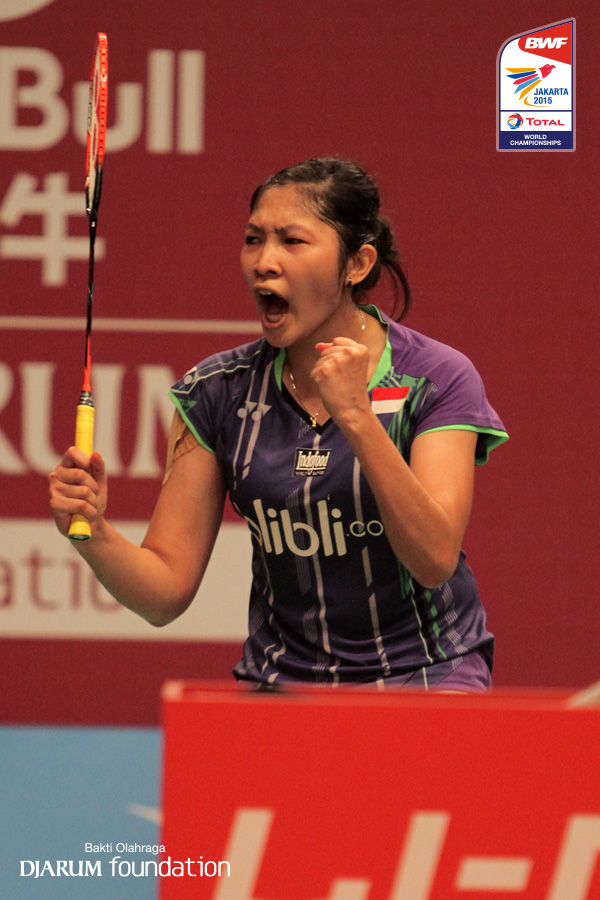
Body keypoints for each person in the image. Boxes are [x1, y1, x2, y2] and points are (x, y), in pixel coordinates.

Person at [49, 157, 508, 691]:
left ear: (357, 264)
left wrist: (357, 418)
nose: (264, 262)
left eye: (292, 241)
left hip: (427, 674)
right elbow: (165, 591)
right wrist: (94, 532)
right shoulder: (216, 393)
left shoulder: (435, 378)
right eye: (253, 240)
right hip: (284, 683)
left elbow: (434, 559)